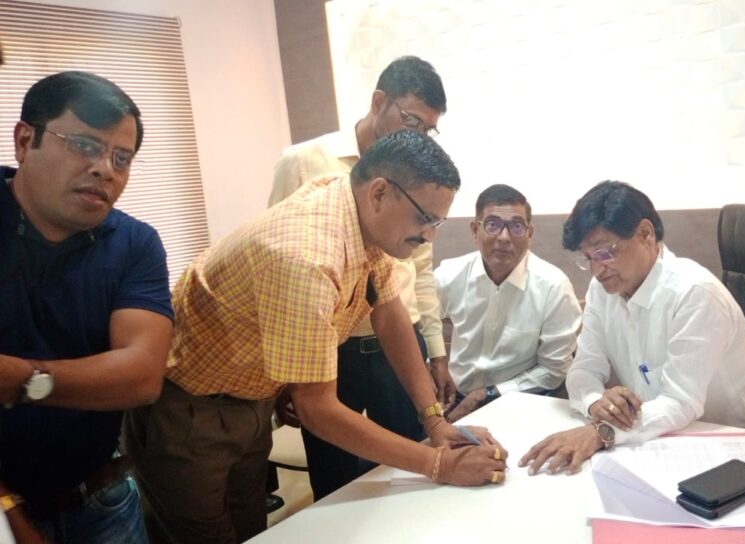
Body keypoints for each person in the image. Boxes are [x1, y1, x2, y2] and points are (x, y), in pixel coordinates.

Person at [125, 130, 508, 544]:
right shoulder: (306, 256)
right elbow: (317, 409)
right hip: (189, 410)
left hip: (250, 400)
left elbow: (388, 311)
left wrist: (434, 420)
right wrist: (439, 465)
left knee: (251, 530)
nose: (429, 235)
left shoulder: (352, 207)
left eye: (436, 223)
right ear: (379, 193)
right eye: (424, 219)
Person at [0, 71, 173, 542]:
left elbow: (141, 375)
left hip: (101, 497)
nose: (105, 170)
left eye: (122, 158)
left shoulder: (134, 243)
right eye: (83, 145)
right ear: (25, 140)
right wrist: (7, 511)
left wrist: (20, 380)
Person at [269, 55, 452, 500]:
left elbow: (419, 269)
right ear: (378, 102)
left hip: (397, 336)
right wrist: (284, 377)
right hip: (331, 347)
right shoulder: (305, 162)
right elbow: (278, 268)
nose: (417, 136)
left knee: (411, 470)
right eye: (411, 120)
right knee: (334, 471)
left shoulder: (418, 176)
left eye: (428, 129)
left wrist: (435, 352)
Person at [520, 181, 745, 475]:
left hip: (741, 439)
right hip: (659, 432)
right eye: (588, 258)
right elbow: (584, 369)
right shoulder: (602, 290)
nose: (596, 270)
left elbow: (680, 402)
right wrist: (596, 403)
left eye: (604, 253)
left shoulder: (695, 292)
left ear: (645, 234)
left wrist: (601, 432)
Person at [434, 184, 581, 422]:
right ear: (475, 230)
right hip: (455, 397)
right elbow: (420, 327)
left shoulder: (554, 287)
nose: (504, 237)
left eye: (516, 226)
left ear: (529, 234)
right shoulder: (449, 275)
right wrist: (434, 364)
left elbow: (554, 370)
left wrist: (489, 393)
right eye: (492, 225)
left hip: (523, 401)